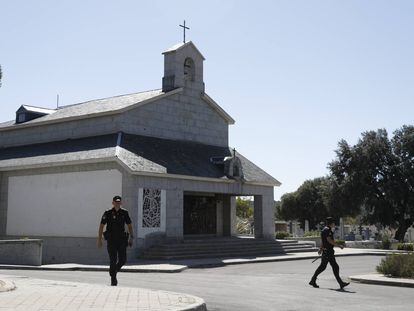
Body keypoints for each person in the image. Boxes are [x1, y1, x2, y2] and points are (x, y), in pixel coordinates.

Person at [98, 195, 134, 286]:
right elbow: (101, 226)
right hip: (111, 240)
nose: (117, 203)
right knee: (113, 260)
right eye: (116, 202)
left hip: (122, 240)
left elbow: (129, 225)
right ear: (113, 203)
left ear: (121, 203)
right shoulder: (108, 212)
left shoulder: (124, 212)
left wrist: (131, 238)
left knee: (123, 260)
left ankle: (113, 271)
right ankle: (113, 280)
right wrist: (99, 239)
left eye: (119, 202)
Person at [309, 217, 350, 289]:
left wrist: (321, 249)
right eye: (333, 223)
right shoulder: (328, 230)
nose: (334, 224)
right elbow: (328, 240)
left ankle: (340, 283)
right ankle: (313, 280)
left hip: (327, 251)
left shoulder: (324, 230)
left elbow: (323, 241)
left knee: (329, 267)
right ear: (331, 223)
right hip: (328, 252)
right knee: (327, 267)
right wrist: (339, 245)